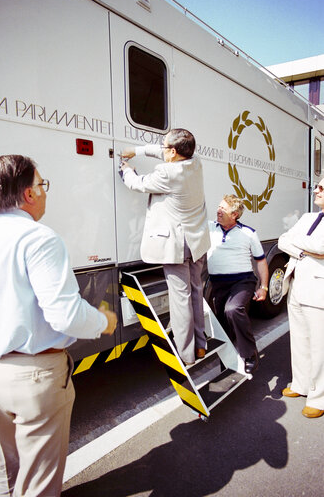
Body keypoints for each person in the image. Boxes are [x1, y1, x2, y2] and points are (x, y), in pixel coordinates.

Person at [0, 155, 117, 497]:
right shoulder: (39, 238)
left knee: (9, 474)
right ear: (28, 194)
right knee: (39, 481)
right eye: (42, 185)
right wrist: (104, 321)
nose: (45, 192)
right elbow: (65, 315)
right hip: (35, 376)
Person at [119, 128, 210, 365]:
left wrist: (126, 169)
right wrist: (136, 150)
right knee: (196, 294)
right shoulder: (195, 162)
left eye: (163, 145)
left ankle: (187, 354)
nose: (160, 148)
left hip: (177, 246)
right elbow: (164, 153)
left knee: (180, 300)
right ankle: (201, 345)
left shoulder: (168, 173)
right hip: (197, 242)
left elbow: (137, 184)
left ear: (172, 152)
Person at [207, 194, 269, 373]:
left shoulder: (248, 233)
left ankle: (250, 354)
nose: (218, 210)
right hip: (218, 284)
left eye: (223, 208)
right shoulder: (210, 227)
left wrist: (263, 287)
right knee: (223, 325)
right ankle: (228, 362)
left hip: (243, 281)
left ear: (234, 214)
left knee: (232, 309)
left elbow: (261, 261)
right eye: (218, 206)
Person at [278, 179, 324, 419]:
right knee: (299, 339)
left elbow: (323, 246)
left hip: (318, 290)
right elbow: (282, 240)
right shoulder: (307, 217)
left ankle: (319, 397)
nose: (316, 190)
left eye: (322, 188)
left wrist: (299, 244)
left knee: (319, 346)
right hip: (295, 284)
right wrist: (307, 251)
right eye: (317, 186)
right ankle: (300, 384)